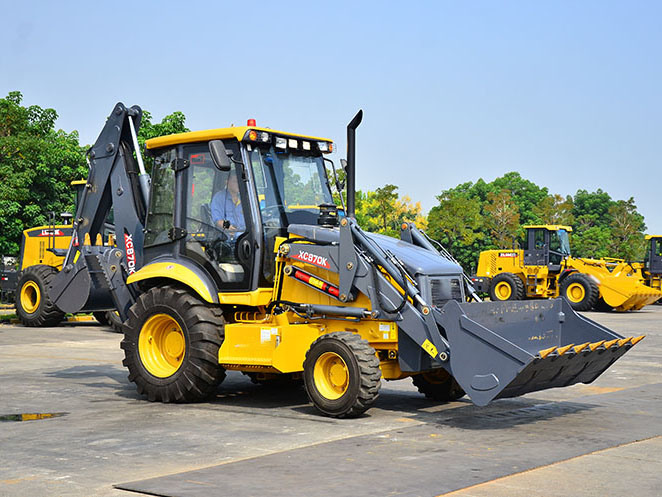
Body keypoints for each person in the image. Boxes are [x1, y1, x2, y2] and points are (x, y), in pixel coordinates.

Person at [210, 169, 245, 238]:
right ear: (227, 182)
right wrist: (228, 227)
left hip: (245, 233)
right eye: (235, 181)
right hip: (227, 237)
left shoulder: (244, 198)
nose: (238, 184)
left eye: (239, 182)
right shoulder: (219, 198)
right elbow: (217, 220)